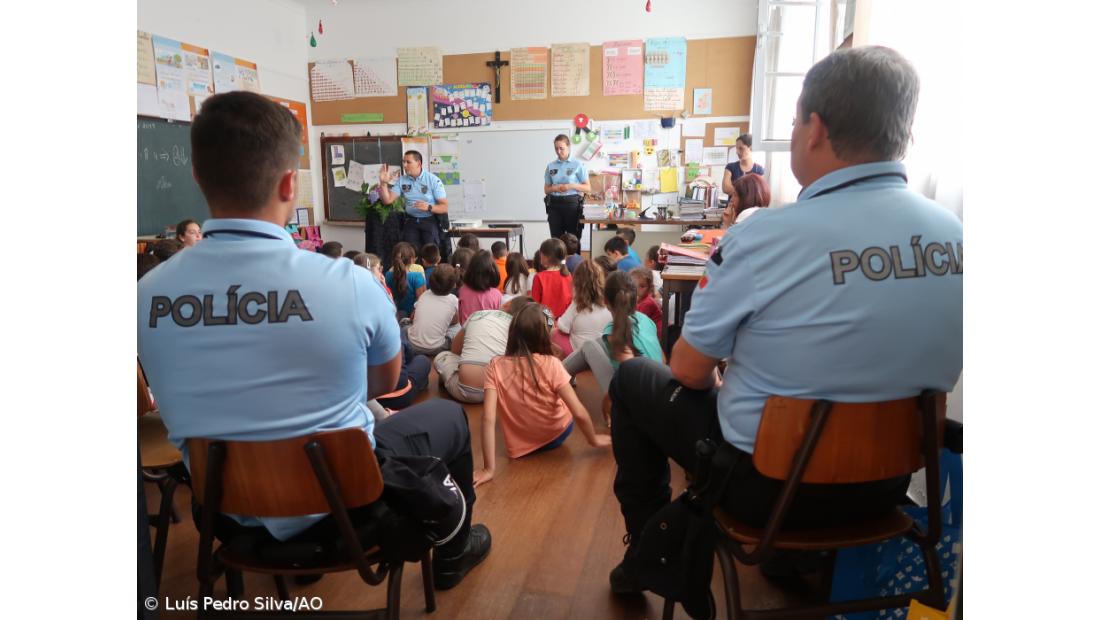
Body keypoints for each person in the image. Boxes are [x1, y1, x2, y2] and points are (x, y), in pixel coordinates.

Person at [606, 47, 963, 597]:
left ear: (814, 128)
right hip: (891, 484)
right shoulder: (957, 237)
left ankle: (652, 551)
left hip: (768, 488)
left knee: (633, 378)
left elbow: (689, 369)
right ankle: (795, 560)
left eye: (795, 122)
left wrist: (723, 375)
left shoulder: (763, 236)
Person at [137, 91, 490, 592]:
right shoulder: (350, 282)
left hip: (223, 507)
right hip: (344, 497)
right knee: (450, 416)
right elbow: (383, 381)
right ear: (288, 183)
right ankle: (454, 550)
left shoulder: (144, 294)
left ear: (198, 177)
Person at [475, 303, 612, 487]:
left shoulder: (495, 365)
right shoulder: (552, 364)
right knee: (562, 401)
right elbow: (578, 412)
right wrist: (593, 439)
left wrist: (488, 469)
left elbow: (488, 418)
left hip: (519, 446)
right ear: (544, 336)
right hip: (557, 434)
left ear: (513, 332)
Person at [563, 271, 663, 398]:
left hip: (633, 405)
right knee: (598, 343)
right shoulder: (646, 320)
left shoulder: (613, 331)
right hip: (660, 391)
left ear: (605, 301)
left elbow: (630, 374)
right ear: (635, 297)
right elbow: (662, 359)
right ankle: (560, 376)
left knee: (589, 346)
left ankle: (556, 377)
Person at [433, 296, 534, 403]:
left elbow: (455, 349)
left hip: (467, 391)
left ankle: (448, 379)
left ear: (508, 304)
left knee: (442, 356)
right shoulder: (520, 331)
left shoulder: (479, 314)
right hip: (499, 393)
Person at [379, 150, 448, 248]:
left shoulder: (433, 180)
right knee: (410, 253)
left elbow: (444, 207)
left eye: (408, 162)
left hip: (429, 220)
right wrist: (383, 183)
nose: (404, 165)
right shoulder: (402, 180)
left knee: (429, 254)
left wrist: (429, 207)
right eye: (403, 162)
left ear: (418, 163)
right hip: (411, 221)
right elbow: (387, 200)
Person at [555, 258, 612, 356]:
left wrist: (548, 317)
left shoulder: (577, 304)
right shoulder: (609, 303)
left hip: (579, 352)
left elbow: (562, 327)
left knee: (555, 333)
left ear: (577, 282)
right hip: (603, 351)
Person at [406, 263, 460, 357]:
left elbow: (412, 317)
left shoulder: (425, 294)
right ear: (453, 285)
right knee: (458, 327)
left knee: (404, 322)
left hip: (413, 345)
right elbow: (456, 320)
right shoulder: (454, 300)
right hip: (437, 348)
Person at [544, 134, 591, 239]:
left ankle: (574, 256)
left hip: (572, 204)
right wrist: (555, 188)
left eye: (561, 148)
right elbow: (546, 189)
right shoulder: (551, 166)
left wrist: (571, 186)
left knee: (572, 239)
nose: (558, 151)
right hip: (554, 205)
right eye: (556, 148)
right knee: (556, 240)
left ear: (569, 147)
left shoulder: (578, 165)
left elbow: (588, 188)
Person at [530, 238, 573, 319]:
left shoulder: (539, 277)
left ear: (546, 257)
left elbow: (535, 305)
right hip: (564, 321)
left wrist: (550, 320)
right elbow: (570, 303)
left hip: (545, 321)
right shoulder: (568, 275)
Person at [457, 250, 503, 325]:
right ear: (492, 272)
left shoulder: (462, 290)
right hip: (488, 333)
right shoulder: (497, 295)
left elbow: (461, 318)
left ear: (470, 270)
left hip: (467, 333)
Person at [385, 242, 427, 319]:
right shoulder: (417, 276)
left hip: (395, 316)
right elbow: (422, 302)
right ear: (412, 259)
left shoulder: (388, 275)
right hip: (413, 318)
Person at [721, 133, 765, 197]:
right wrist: (749, 192)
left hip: (751, 207)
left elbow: (759, 192)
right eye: (737, 148)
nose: (737, 152)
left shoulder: (759, 170)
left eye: (741, 148)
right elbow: (726, 188)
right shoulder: (730, 167)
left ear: (751, 148)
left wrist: (735, 191)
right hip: (733, 206)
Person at [629, 267, 663, 341]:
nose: (636, 289)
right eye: (633, 285)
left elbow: (635, 323)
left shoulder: (647, 303)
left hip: (655, 339)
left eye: (642, 286)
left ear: (650, 288)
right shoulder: (639, 300)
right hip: (647, 334)